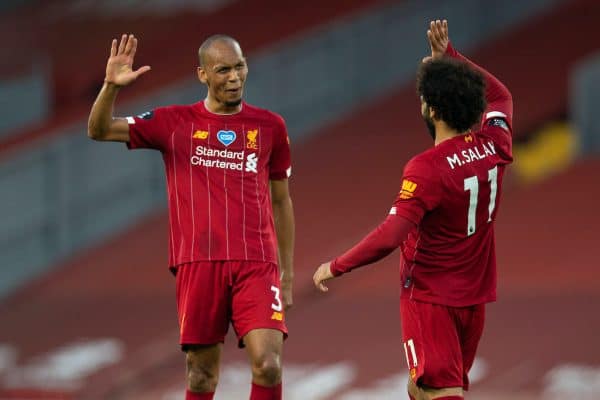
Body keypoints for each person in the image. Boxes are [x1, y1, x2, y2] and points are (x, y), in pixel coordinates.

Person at [313, 20, 513, 400]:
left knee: (441, 392)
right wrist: (450, 59)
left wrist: (336, 265)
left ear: (433, 109)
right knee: (423, 386)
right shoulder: (494, 143)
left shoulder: (427, 167)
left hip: (431, 298)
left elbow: (391, 235)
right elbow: (501, 96)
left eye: (423, 97)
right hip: (475, 298)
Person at [88, 33, 294, 400]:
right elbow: (99, 129)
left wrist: (288, 273)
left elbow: (281, 201)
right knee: (201, 377)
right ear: (202, 74)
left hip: (256, 262)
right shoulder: (175, 122)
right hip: (198, 263)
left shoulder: (271, 127)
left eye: (240, 66)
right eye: (223, 70)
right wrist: (110, 86)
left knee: (269, 365)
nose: (234, 77)